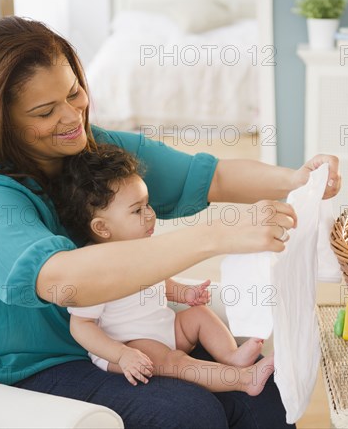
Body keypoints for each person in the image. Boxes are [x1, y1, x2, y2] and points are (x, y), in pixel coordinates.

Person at [0, 16, 340, 428]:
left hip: (108, 341)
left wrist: (297, 179)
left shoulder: (92, 152)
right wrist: (214, 237)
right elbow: (63, 279)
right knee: (187, 414)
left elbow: (209, 176)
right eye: (45, 111)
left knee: (265, 400)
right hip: (15, 368)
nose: (72, 116)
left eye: (74, 92)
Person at [57, 145, 274, 395]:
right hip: (131, 345)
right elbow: (81, 325)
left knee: (198, 315)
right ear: (102, 227)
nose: (150, 215)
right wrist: (122, 354)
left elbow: (158, 281)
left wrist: (184, 294)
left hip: (165, 328)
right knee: (176, 362)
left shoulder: (142, 248)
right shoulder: (92, 267)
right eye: (137, 210)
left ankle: (231, 355)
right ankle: (243, 379)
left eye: (148, 205)